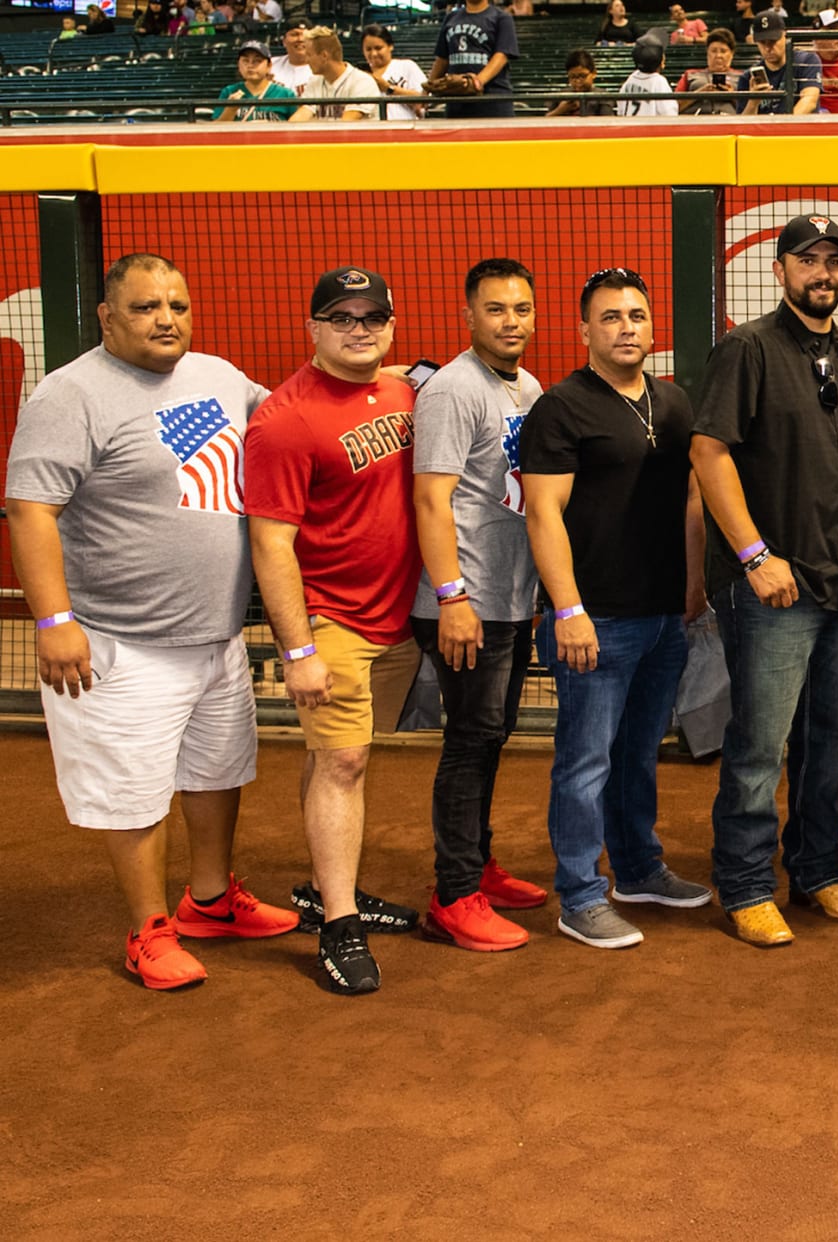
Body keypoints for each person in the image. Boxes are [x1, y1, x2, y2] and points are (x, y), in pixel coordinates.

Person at [6, 255, 293, 991]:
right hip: (118, 642)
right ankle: (148, 927)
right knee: (131, 792)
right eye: (145, 307)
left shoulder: (220, 377)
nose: (166, 319)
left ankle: (208, 901)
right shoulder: (70, 395)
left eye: (177, 305)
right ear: (107, 317)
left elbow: (292, 420)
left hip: (215, 633)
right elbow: (31, 509)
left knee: (217, 771)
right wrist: (53, 620)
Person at [692, 214, 838, 949]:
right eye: (807, 260)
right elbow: (710, 455)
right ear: (778, 271)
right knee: (759, 746)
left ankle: (817, 871)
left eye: (834, 261)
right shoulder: (747, 348)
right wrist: (752, 555)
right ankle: (745, 886)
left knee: (831, 742)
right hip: (778, 586)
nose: (823, 273)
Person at [243, 266, 423, 995]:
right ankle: (340, 927)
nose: (359, 331)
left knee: (339, 758)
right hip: (332, 619)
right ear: (312, 327)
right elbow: (270, 542)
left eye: (372, 318)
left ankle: (326, 887)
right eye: (342, 318)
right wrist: (300, 648)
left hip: (396, 613)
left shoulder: (404, 390)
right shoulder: (284, 419)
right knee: (344, 762)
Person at [520, 268, 709, 952]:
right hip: (595, 619)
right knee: (584, 763)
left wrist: (692, 586)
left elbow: (692, 499)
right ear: (584, 331)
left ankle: (638, 870)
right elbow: (542, 514)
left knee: (637, 755)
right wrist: (567, 610)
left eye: (635, 315)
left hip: (663, 617)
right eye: (610, 317)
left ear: (652, 327)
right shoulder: (563, 408)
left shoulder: (675, 403)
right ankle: (579, 894)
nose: (625, 327)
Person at [408, 259, 548, 954]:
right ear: (469, 316)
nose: (511, 321)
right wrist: (452, 596)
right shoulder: (451, 390)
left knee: (490, 737)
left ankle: (479, 866)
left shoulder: (526, 386)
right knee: (469, 743)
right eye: (496, 310)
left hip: (508, 596)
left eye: (521, 308)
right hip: (463, 602)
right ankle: (454, 892)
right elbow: (432, 498)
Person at [430, 0, 521, 119]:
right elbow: (442, 59)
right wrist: (427, 90)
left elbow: (501, 55)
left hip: (493, 101)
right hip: (457, 102)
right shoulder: (451, 18)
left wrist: (477, 82)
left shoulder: (502, 18)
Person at [288, 26, 378, 123]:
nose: (307, 60)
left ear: (324, 56)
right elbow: (301, 116)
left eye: (309, 55)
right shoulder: (314, 81)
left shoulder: (362, 82)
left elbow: (346, 124)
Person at [744, 13, 823, 114]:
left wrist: (782, 125)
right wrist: (753, 102)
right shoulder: (749, 77)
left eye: (773, 41)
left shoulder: (807, 61)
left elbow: (809, 101)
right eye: (762, 42)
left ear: (784, 35)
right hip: (764, 128)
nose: (768, 48)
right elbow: (742, 122)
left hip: (798, 128)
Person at [217, 42, 298, 122]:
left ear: (269, 66)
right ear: (238, 65)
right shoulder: (229, 92)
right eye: (245, 61)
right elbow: (216, 129)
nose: (250, 65)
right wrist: (230, 110)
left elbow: (296, 127)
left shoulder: (285, 94)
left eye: (257, 61)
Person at [362, 24, 427, 121]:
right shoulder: (359, 75)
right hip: (371, 130)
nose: (374, 54)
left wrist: (388, 88)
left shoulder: (407, 66)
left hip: (405, 128)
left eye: (378, 48)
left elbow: (423, 100)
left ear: (390, 46)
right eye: (368, 49)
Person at [678, 28, 746, 114]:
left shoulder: (743, 77)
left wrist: (732, 96)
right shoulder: (690, 74)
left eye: (723, 51)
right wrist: (700, 93)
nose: (718, 55)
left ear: (732, 54)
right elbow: (674, 107)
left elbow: (751, 110)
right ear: (707, 53)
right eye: (713, 51)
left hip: (730, 124)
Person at [617, 38, 678, 116]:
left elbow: (621, 108)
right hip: (649, 127)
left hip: (629, 125)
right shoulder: (659, 82)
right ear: (661, 62)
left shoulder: (631, 78)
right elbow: (669, 113)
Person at [547, 48, 615, 116]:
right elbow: (546, 120)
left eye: (582, 76)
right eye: (572, 77)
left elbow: (607, 122)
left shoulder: (603, 96)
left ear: (594, 73)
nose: (577, 81)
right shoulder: (562, 96)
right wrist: (560, 110)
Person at [270, 20, 316, 92]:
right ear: (284, 41)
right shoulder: (270, 64)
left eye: (305, 35)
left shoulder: (323, 69)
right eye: (294, 34)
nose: (300, 39)